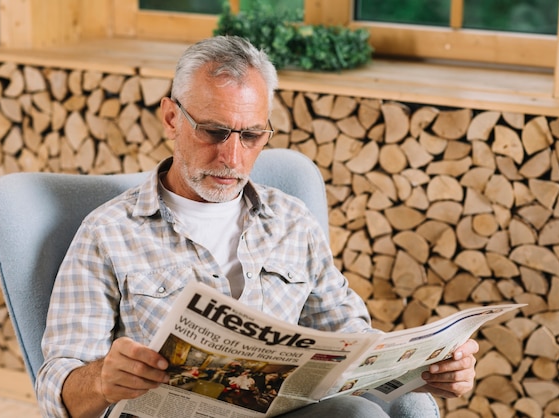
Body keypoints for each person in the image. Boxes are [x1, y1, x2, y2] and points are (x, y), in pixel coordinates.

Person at [35, 35, 478, 418]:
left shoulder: (290, 221)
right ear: (172, 118)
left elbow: (351, 338)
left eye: (251, 136)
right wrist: (100, 381)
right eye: (213, 131)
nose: (232, 158)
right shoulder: (108, 232)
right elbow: (58, 386)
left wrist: (422, 369)